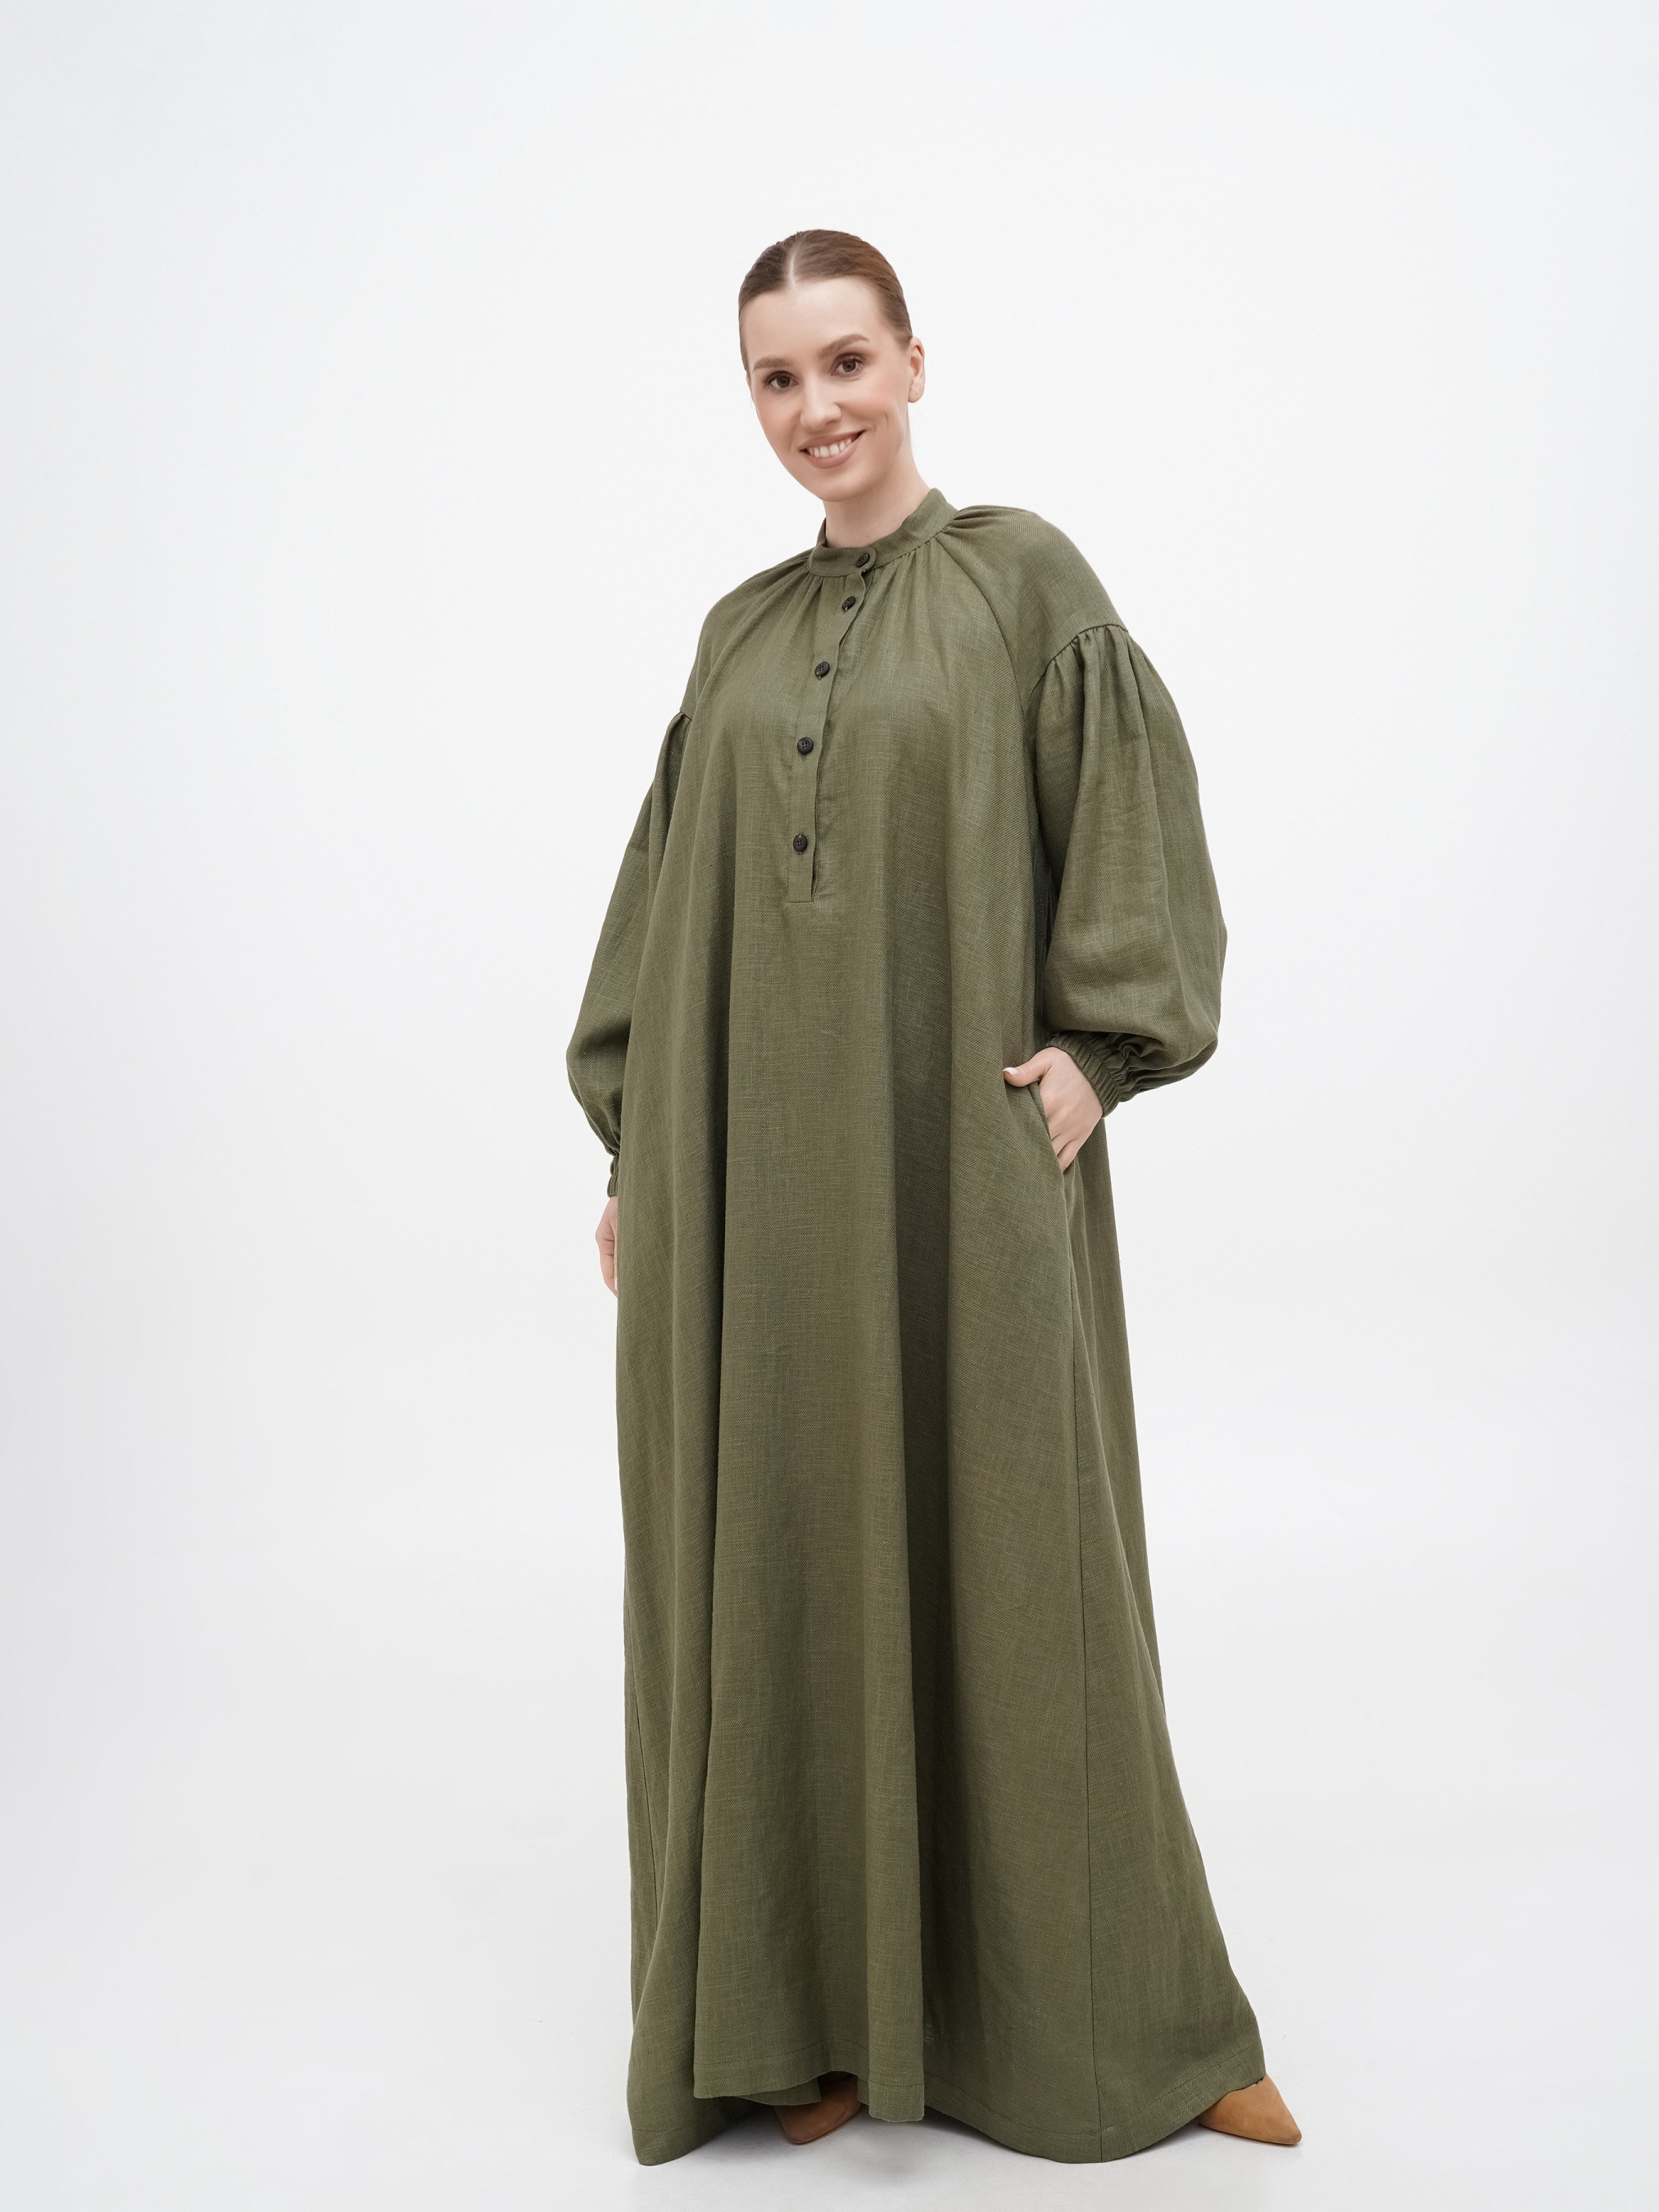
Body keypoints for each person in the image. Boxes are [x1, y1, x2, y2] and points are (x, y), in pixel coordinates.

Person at [565, 229, 1299, 2166]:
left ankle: (1127, 2031)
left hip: (955, 1171)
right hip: (740, 1194)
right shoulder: (734, 635)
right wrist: (638, 1150)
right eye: (775, 377)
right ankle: (793, 2025)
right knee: (769, 1551)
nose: (813, 408)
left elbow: (1126, 822)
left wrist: (1099, 1052)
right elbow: (665, 902)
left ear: (910, 362)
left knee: (1023, 1559)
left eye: (843, 362)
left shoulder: (1021, 581)